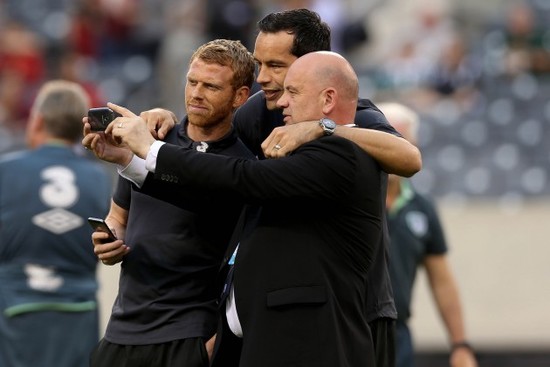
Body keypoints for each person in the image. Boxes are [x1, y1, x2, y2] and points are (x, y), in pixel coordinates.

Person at [141, 9, 422, 367]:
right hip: (281, 307)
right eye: (259, 64)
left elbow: (409, 159)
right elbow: (218, 156)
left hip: (355, 304)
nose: (263, 78)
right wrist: (168, 127)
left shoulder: (355, 115)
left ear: (313, 66)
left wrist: (324, 128)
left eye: (276, 65)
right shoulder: (260, 111)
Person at [104, 49, 383, 367]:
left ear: (328, 99)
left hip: (307, 343)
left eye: (292, 92)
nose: (281, 102)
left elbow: (240, 178)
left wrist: (152, 149)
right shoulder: (302, 155)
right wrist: (132, 164)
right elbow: (221, 198)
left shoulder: (338, 155)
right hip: (260, 339)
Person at [83, 39, 256, 367]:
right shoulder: (150, 140)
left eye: (211, 86)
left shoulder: (242, 165)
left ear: (240, 96)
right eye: (192, 82)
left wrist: (210, 347)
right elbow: (118, 216)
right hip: (121, 331)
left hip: (187, 335)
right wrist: (110, 238)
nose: (196, 93)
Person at [0, 80, 112, 367]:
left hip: (14, 312)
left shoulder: (6, 171)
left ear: (36, 121)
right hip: (79, 312)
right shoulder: (98, 179)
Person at [378, 102, 478, 367]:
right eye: (386, 137)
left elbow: (441, 280)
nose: (394, 147)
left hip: (397, 336)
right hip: (350, 330)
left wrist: (460, 345)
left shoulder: (422, 208)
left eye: (402, 139)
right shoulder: (347, 198)